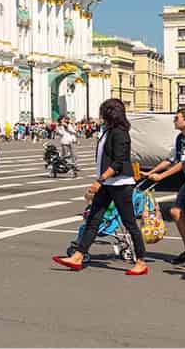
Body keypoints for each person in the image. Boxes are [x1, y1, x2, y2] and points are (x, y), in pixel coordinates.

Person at [53, 99, 148, 275]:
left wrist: (100, 180)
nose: (100, 114)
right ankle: (78, 255)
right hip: (108, 183)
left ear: (110, 113)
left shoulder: (120, 133)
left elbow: (119, 162)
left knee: (129, 223)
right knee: (93, 220)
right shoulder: (108, 131)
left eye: (103, 110)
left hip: (119, 184)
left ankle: (141, 261)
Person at [141, 106, 185, 265]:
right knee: (175, 212)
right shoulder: (180, 139)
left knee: (176, 211)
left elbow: (182, 164)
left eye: (177, 118)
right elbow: (171, 160)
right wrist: (151, 172)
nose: (174, 120)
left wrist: (161, 176)